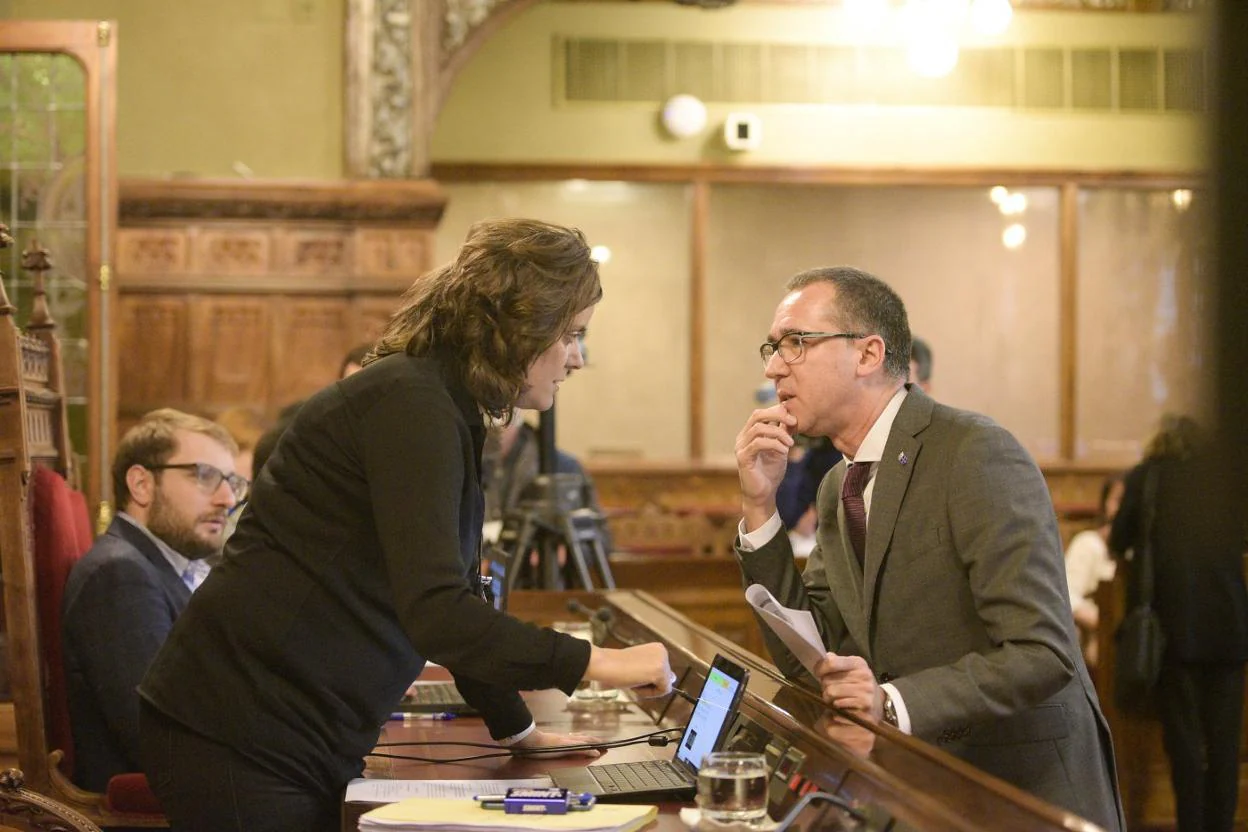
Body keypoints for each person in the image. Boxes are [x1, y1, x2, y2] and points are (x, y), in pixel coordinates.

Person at [137, 218, 673, 832]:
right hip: (239, 727)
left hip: (275, 725)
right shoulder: (412, 403)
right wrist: (597, 662)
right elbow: (439, 614)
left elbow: (455, 599)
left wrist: (517, 728)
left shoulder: (439, 402)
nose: (577, 358)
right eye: (572, 335)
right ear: (522, 326)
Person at [733, 266, 1123, 831]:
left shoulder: (974, 452)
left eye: (796, 343)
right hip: (920, 788)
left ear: (868, 354)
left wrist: (889, 703)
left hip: (1020, 793)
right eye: (773, 347)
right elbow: (810, 654)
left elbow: (1042, 651)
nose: (773, 367)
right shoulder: (836, 483)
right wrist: (760, 507)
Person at [61, 408, 244, 792]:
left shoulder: (165, 565)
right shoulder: (120, 575)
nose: (227, 498)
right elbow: (160, 742)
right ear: (142, 484)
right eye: (204, 475)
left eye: (232, 482)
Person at [1109, 415, 1248, 832]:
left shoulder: (1147, 478)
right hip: (1230, 629)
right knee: (1225, 745)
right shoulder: (1226, 481)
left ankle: (1191, 824)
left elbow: (1118, 540)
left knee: (1185, 744)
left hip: (1174, 630)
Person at [776, 336, 932, 535]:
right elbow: (789, 517)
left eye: (902, 384)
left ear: (924, 390)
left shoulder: (939, 453)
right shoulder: (832, 449)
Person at [1064, 473, 1125, 668]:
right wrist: (1102, 623)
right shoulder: (1088, 544)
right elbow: (1067, 597)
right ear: (1105, 504)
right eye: (1118, 500)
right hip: (1094, 631)